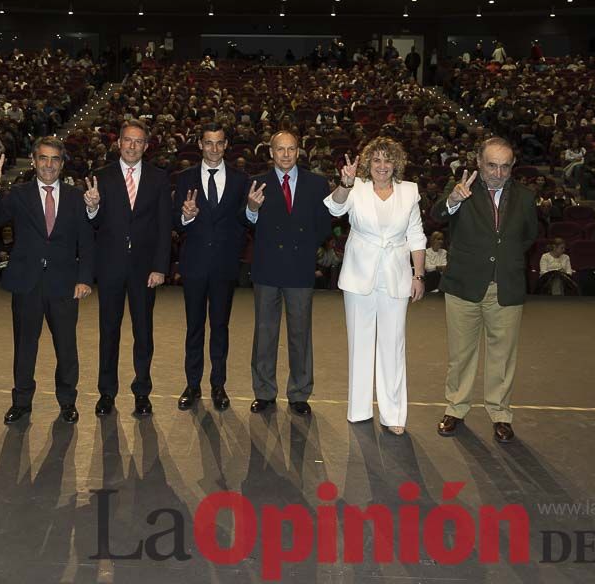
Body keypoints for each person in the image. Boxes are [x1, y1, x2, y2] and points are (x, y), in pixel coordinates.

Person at [431, 137, 539, 444]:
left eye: (505, 166)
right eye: (492, 165)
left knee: (502, 357)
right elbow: (437, 215)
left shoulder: (526, 198)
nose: (498, 173)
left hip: (506, 287)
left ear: (512, 166)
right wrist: (453, 199)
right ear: (479, 162)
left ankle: (501, 414)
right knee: (460, 354)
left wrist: (506, 259)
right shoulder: (462, 188)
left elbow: (529, 236)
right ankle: (456, 408)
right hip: (463, 285)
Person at [0, 141, 93, 425]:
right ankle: (21, 402)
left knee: (66, 348)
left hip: (64, 284)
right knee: (24, 347)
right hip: (27, 283)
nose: (48, 164)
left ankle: (68, 401)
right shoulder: (18, 194)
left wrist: (84, 278)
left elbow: (87, 240)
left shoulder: (75, 197)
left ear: (62, 163)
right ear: (33, 161)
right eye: (43, 158)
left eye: (54, 159)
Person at [324, 139, 426, 433]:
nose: (382, 166)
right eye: (377, 161)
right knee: (360, 342)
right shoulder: (356, 188)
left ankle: (393, 415)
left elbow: (416, 235)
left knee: (393, 345)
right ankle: (358, 410)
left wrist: (418, 275)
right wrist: (344, 183)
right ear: (368, 163)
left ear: (397, 163)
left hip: (396, 276)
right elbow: (334, 210)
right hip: (359, 275)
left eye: (388, 160)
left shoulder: (409, 191)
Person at [83, 119, 172, 419]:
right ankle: (106, 393)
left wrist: (160, 267)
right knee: (108, 332)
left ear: (146, 146)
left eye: (138, 141)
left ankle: (142, 393)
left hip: (144, 270)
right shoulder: (101, 177)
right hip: (110, 267)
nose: (132, 146)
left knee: (143, 333)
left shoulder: (159, 178)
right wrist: (92, 207)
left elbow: (164, 226)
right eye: (127, 140)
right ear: (118, 143)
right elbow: (92, 224)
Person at [245, 129, 332, 416]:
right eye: (280, 149)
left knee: (300, 334)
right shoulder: (255, 184)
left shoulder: (317, 184)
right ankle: (264, 392)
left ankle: (299, 394)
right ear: (270, 153)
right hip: (267, 270)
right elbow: (246, 224)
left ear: (299, 151)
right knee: (265, 334)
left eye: (291, 149)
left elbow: (324, 227)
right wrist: (252, 209)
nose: (285, 154)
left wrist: (306, 249)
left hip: (300, 270)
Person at [173, 121, 250, 412]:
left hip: (224, 266)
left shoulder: (242, 180)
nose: (214, 149)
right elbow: (174, 220)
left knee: (220, 327)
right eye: (209, 143)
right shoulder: (184, 178)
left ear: (226, 145)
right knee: (194, 328)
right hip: (194, 265)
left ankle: (218, 385)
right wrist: (187, 216)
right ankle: (192, 385)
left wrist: (252, 211)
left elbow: (245, 221)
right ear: (200, 145)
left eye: (219, 143)